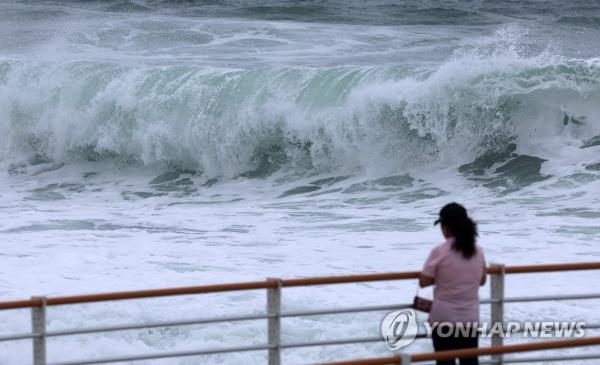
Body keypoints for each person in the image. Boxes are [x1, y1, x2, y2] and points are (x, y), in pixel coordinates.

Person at [419, 203, 486, 365]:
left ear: (447, 227)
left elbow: (423, 281)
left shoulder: (439, 251)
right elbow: (482, 280)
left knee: (445, 362)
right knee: (469, 362)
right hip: (469, 319)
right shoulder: (477, 251)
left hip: (443, 319)